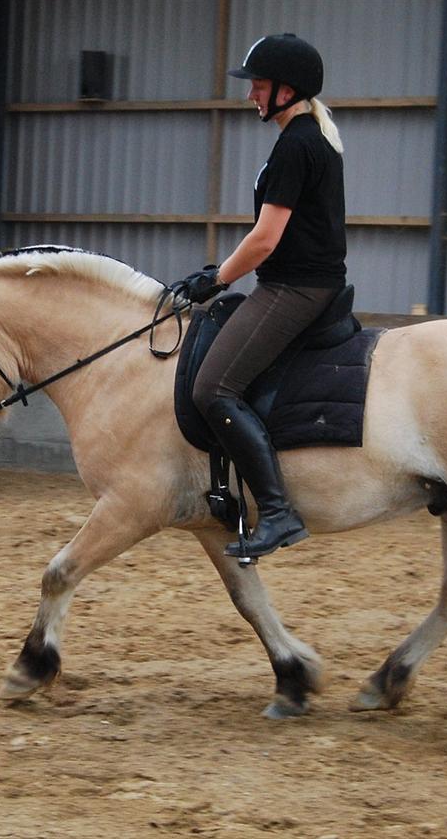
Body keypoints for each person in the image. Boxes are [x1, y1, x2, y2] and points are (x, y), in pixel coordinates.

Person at [178, 33, 347, 559]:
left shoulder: (298, 144)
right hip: (297, 282)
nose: (250, 93)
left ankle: (277, 512)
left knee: (213, 389)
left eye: (258, 84)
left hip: (295, 288)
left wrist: (218, 279)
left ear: (285, 89)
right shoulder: (303, 138)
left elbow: (266, 238)